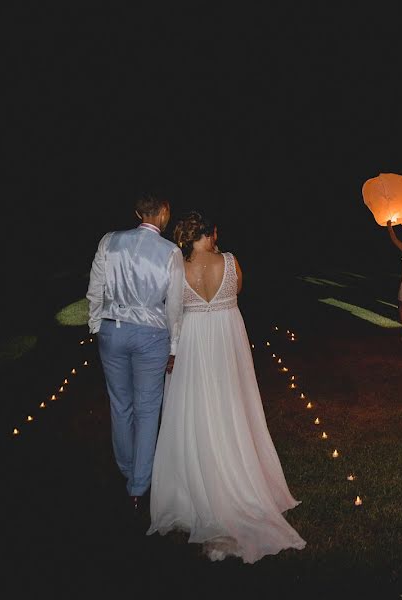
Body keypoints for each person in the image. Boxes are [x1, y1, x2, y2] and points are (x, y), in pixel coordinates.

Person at [147, 211, 305, 563]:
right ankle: (238, 476)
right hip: (224, 341)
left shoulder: (177, 266)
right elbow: (237, 291)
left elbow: (172, 311)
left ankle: (193, 487)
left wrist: (172, 349)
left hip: (191, 343)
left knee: (194, 410)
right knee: (230, 404)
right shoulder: (231, 262)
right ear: (212, 232)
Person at [86, 193, 184, 516]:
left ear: (137, 212)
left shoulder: (109, 241)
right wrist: (174, 345)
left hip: (112, 331)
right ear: (164, 213)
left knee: (120, 405)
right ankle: (139, 486)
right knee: (146, 409)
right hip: (151, 336)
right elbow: (173, 306)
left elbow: (95, 287)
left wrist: (96, 325)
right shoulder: (171, 252)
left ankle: (128, 470)